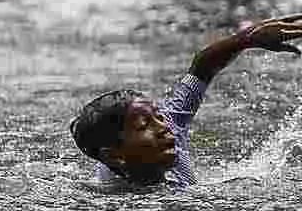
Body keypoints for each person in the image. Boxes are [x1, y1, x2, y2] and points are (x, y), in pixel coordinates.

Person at [70, 14, 302, 188]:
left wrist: (247, 38)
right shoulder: (108, 195)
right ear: (114, 156)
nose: (163, 127)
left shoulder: (172, 127)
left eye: (158, 116)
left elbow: (202, 66)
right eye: (144, 126)